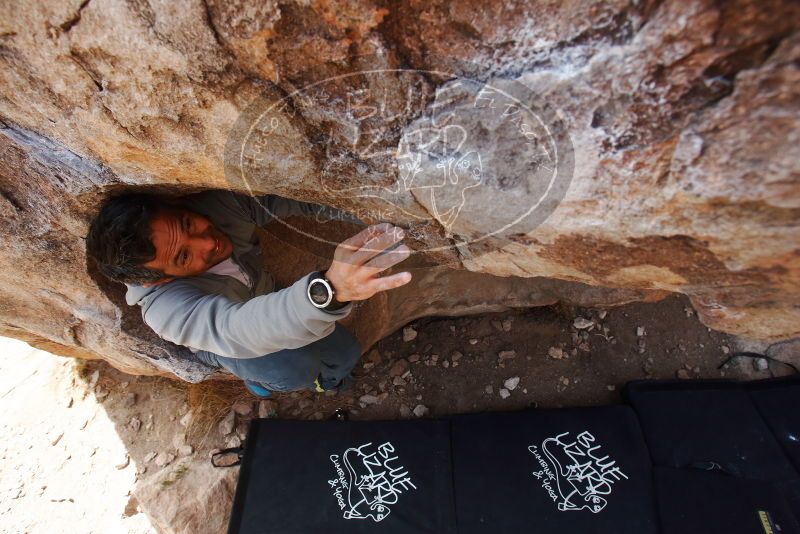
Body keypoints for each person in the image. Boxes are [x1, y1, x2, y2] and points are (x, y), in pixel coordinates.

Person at [85, 189, 412, 396]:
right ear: (157, 281)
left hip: (263, 297)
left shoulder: (216, 208)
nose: (207, 242)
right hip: (226, 342)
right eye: (183, 256)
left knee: (345, 352)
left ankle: (331, 382)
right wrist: (329, 290)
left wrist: (377, 212)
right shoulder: (164, 310)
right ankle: (266, 383)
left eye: (187, 224)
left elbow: (294, 199)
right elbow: (234, 330)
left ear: (175, 205)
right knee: (294, 371)